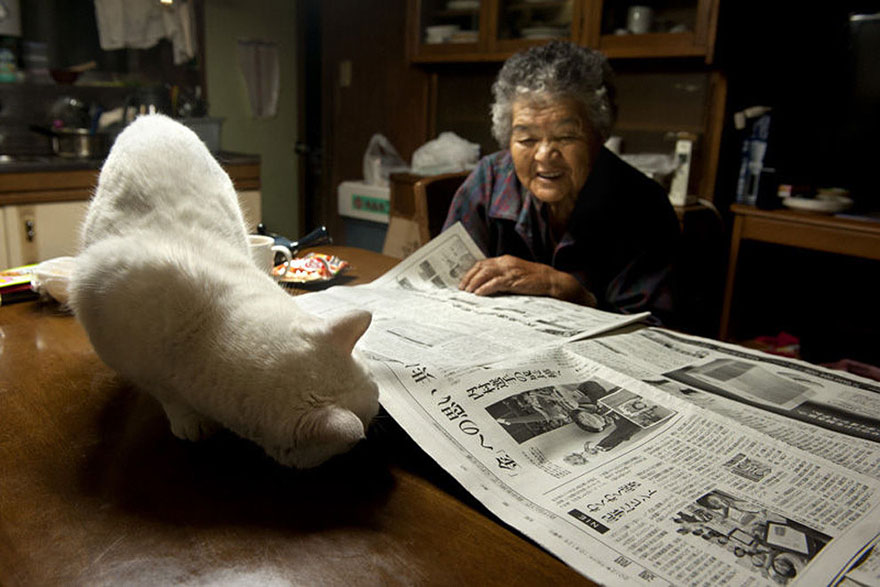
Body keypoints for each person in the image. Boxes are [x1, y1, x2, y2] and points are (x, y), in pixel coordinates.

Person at [443, 41, 681, 325]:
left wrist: (565, 290)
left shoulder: (643, 204)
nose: (545, 155)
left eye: (566, 137)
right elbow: (445, 288)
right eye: (527, 139)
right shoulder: (489, 180)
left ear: (599, 135)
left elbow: (654, 329)